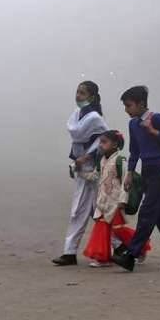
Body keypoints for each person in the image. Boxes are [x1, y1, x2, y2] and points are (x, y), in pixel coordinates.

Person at [111, 86, 160, 271]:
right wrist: (129, 172)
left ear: (141, 104)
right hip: (146, 169)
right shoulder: (133, 124)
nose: (126, 110)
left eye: (129, 105)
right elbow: (134, 150)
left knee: (147, 211)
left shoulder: (156, 118)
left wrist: (153, 131)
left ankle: (131, 254)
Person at [52, 81, 109, 266]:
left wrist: (87, 157)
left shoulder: (94, 118)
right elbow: (76, 139)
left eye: (82, 93)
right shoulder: (77, 114)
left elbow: (105, 139)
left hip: (91, 170)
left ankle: (70, 252)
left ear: (91, 97)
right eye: (77, 92)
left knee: (81, 211)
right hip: (81, 169)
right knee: (97, 212)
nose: (78, 96)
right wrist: (76, 161)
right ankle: (124, 245)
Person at [81, 130, 151, 267]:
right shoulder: (102, 160)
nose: (100, 145)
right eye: (100, 142)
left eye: (104, 142)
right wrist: (80, 172)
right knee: (102, 228)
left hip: (115, 203)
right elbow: (96, 177)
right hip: (103, 203)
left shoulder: (120, 161)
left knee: (118, 229)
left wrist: (122, 201)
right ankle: (102, 258)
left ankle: (140, 248)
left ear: (115, 145)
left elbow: (126, 182)